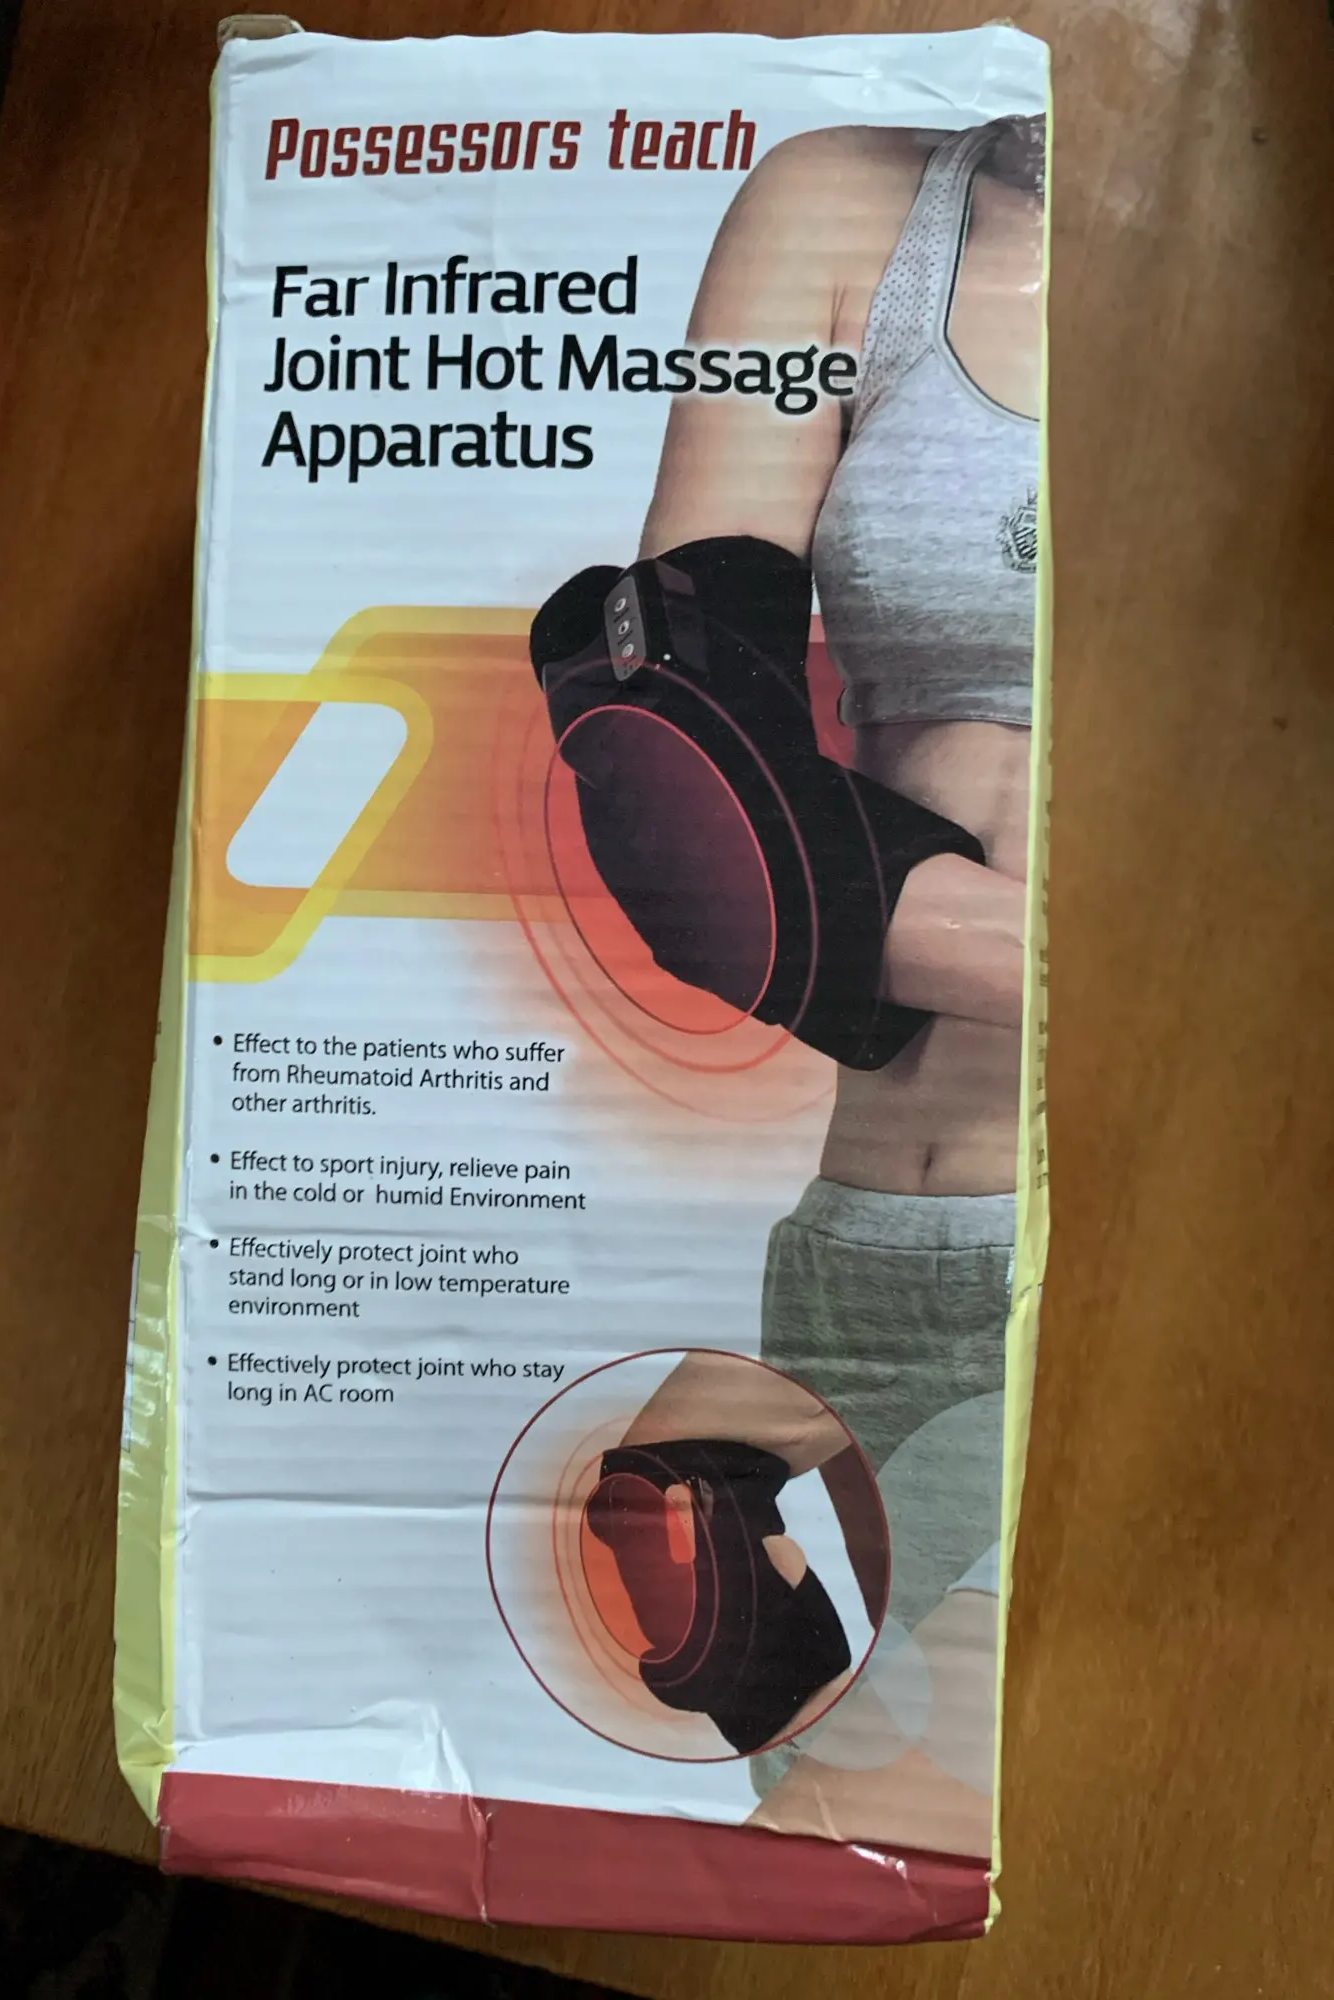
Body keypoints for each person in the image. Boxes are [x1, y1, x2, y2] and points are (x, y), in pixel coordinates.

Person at [555, 114, 1044, 1858]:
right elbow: (677, 773)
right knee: (671, 1529)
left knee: (870, 1855)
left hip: (1138, 1230)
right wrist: (1089, 972)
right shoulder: (845, 210)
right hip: (863, 1237)